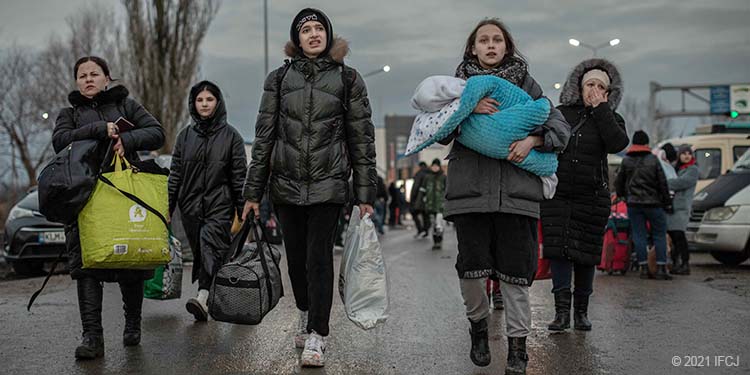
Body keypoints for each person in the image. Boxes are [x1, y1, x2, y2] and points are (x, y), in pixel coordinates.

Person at [241, 8, 376, 368]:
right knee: (296, 260)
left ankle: (318, 333)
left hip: (329, 185)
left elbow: (361, 139)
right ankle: (304, 310)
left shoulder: (348, 79)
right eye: (306, 30)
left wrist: (365, 194)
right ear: (296, 39)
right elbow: (264, 136)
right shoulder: (279, 79)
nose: (313, 34)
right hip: (284, 186)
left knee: (319, 259)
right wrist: (253, 193)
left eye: (319, 28)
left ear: (328, 35)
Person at [442, 19, 570, 373]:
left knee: (516, 277)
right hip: (470, 194)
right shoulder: (457, 87)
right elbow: (435, 128)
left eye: (497, 40)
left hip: (517, 196)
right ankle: (478, 328)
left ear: (507, 47)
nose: (491, 45)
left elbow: (559, 127)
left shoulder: (527, 86)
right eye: (483, 40)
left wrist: (534, 140)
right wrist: (467, 106)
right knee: (470, 273)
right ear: (473, 48)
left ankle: (518, 347)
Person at [52, 56, 164, 359]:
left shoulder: (126, 105)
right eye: (82, 75)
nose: (88, 79)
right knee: (86, 267)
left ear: (107, 77)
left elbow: (157, 133)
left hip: (123, 191)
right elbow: (60, 141)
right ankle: (92, 338)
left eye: (94, 74)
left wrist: (126, 139)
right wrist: (101, 129)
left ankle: (132, 325)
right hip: (83, 196)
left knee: (130, 260)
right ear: (77, 82)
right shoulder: (69, 114)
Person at [540, 59, 629, 332]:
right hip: (559, 194)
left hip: (592, 196)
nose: (594, 89)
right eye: (590, 84)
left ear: (608, 92)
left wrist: (601, 109)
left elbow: (617, 144)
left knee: (587, 253)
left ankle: (581, 313)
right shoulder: (561, 113)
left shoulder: (611, 118)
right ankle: (561, 313)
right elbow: (544, 140)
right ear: (578, 86)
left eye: (600, 86)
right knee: (559, 252)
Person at [167, 81, 247, 321]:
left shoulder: (232, 137)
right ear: (193, 104)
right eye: (200, 100)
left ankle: (202, 296)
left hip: (219, 205)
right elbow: (175, 175)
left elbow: (239, 177)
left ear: (218, 102)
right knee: (203, 252)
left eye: (209, 100)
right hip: (190, 207)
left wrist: (242, 208)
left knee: (209, 244)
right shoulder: (184, 137)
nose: (204, 104)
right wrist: (168, 207)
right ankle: (214, 294)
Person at [615, 130, 672, 280]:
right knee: (659, 235)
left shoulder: (626, 160)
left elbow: (619, 182)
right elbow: (662, 183)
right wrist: (667, 202)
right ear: (647, 143)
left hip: (633, 204)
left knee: (639, 235)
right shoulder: (653, 160)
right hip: (654, 204)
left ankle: (644, 268)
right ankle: (660, 268)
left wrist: (622, 196)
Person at [666, 145, 699, 275]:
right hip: (672, 206)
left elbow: (681, 183)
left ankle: (685, 263)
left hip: (682, 207)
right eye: (683, 153)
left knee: (679, 235)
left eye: (689, 153)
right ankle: (676, 263)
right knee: (674, 236)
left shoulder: (693, 169)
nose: (686, 156)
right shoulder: (675, 168)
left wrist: (664, 182)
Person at [421, 158, 446, 249]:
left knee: (439, 224)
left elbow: (447, 191)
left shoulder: (443, 177)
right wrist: (422, 202)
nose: (435, 168)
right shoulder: (428, 177)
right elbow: (423, 191)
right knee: (433, 224)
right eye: (433, 166)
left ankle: (439, 240)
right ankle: (435, 241)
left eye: (436, 166)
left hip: (440, 206)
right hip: (430, 205)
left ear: (439, 167)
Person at [410, 162, 429, 237]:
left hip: (418, 198)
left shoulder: (419, 174)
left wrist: (412, 199)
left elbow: (415, 187)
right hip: (427, 198)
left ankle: (420, 229)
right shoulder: (429, 173)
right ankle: (425, 230)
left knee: (414, 213)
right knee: (425, 214)